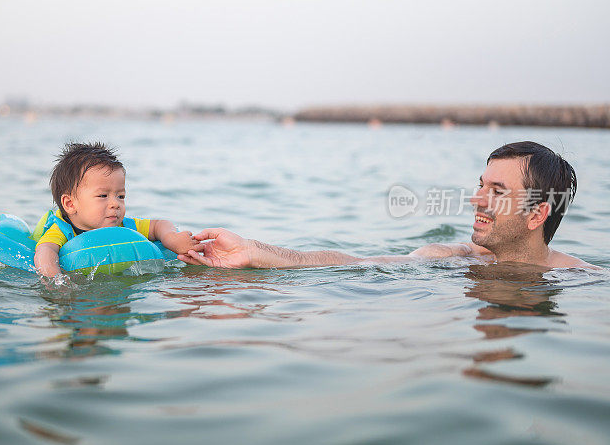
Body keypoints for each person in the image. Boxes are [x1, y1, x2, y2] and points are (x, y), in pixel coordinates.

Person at [179, 141, 597, 270]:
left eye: (498, 191)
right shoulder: (454, 257)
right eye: (480, 184)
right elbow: (357, 262)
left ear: (538, 214)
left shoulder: (587, 281)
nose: (476, 198)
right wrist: (255, 251)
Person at [34, 142, 200, 277]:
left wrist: (171, 238)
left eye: (120, 196)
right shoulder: (61, 230)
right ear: (70, 204)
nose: (115, 204)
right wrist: (56, 281)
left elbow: (158, 225)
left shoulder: (125, 226)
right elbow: (45, 251)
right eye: (103, 196)